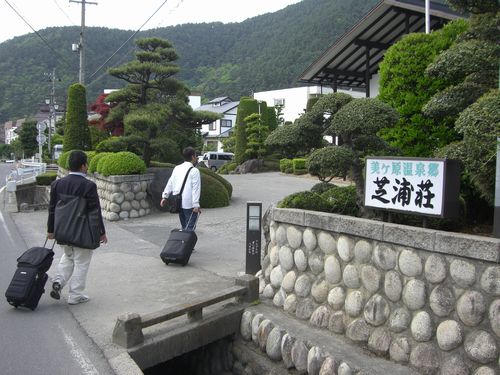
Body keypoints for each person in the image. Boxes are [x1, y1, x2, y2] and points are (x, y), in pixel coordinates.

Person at [47, 150, 107, 305]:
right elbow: (95, 211)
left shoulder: (57, 184)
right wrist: (101, 233)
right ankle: (75, 295)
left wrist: (50, 230)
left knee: (67, 257)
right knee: (81, 262)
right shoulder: (89, 186)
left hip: (62, 231)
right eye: (86, 164)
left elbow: (52, 208)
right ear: (83, 166)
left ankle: (58, 282)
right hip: (81, 232)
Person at [160, 146, 201, 231]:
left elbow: (170, 182)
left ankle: (182, 243)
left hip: (178, 202)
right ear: (193, 156)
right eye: (196, 156)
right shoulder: (194, 170)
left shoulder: (177, 168)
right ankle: (186, 244)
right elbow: (196, 188)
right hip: (189, 204)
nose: (196, 158)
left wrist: (165, 196)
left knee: (184, 227)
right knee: (190, 229)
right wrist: (196, 204)